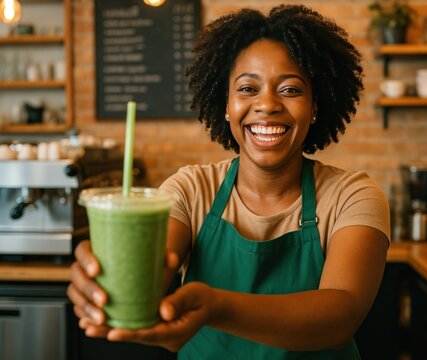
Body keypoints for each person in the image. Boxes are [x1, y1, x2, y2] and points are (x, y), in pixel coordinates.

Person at [68, 4, 390, 359]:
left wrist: (218, 307)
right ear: (226, 104)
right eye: (248, 89)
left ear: (315, 107)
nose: (266, 104)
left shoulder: (353, 196)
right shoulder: (190, 190)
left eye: (291, 90)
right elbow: (157, 267)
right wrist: (109, 283)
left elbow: (340, 315)